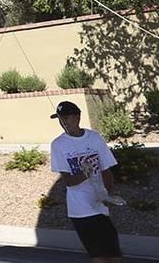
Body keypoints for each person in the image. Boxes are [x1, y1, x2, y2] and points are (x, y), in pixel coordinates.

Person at [49, 101, 123, 263]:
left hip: (99, 205)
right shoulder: (58, 145)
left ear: (77, 117)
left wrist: (108, 194)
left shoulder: (94, 138)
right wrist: (86, 172)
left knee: (114, 255)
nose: (63, 122)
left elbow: (106, 170)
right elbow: (68, 181)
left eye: (66, 118)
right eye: (60, 119)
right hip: (81, 209)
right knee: (99, 257)